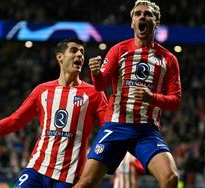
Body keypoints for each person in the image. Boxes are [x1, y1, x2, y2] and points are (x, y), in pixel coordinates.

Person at [0, 39, 108, 188]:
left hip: (69, 177)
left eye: (82, 52)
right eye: (74, 50)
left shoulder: (94, 93)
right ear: (59, 57)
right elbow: (15, 121)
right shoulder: (42, 91)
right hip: (37, 169)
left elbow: (108, 130)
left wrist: (93, 170)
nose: (80, 55)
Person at [75, 0, 182, 188]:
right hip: (117, 126)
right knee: (86, 183)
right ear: (132, 22)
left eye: (147, 14)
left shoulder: (168, 59)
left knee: (171, 178)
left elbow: (175, 101)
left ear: (156, 22)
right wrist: (96, 73)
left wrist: (152, 98)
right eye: (138, 14)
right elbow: (100, 85)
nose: (142, 16)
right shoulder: (119, 49)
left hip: (146, 131)